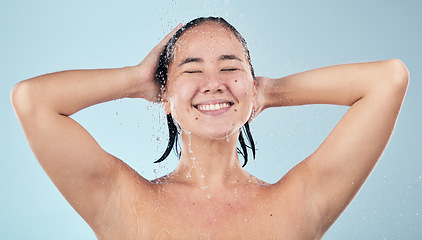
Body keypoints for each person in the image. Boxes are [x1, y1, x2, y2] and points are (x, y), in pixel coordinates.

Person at [11, 17, 408, 239]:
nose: (214, 81)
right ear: (164, 95)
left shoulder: (298, 201)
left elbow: (388, 80)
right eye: (192, 69)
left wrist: (268, 93)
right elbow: (32, 99)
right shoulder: (121, 200)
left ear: (251, 84)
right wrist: (135, 79)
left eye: (231, 67)